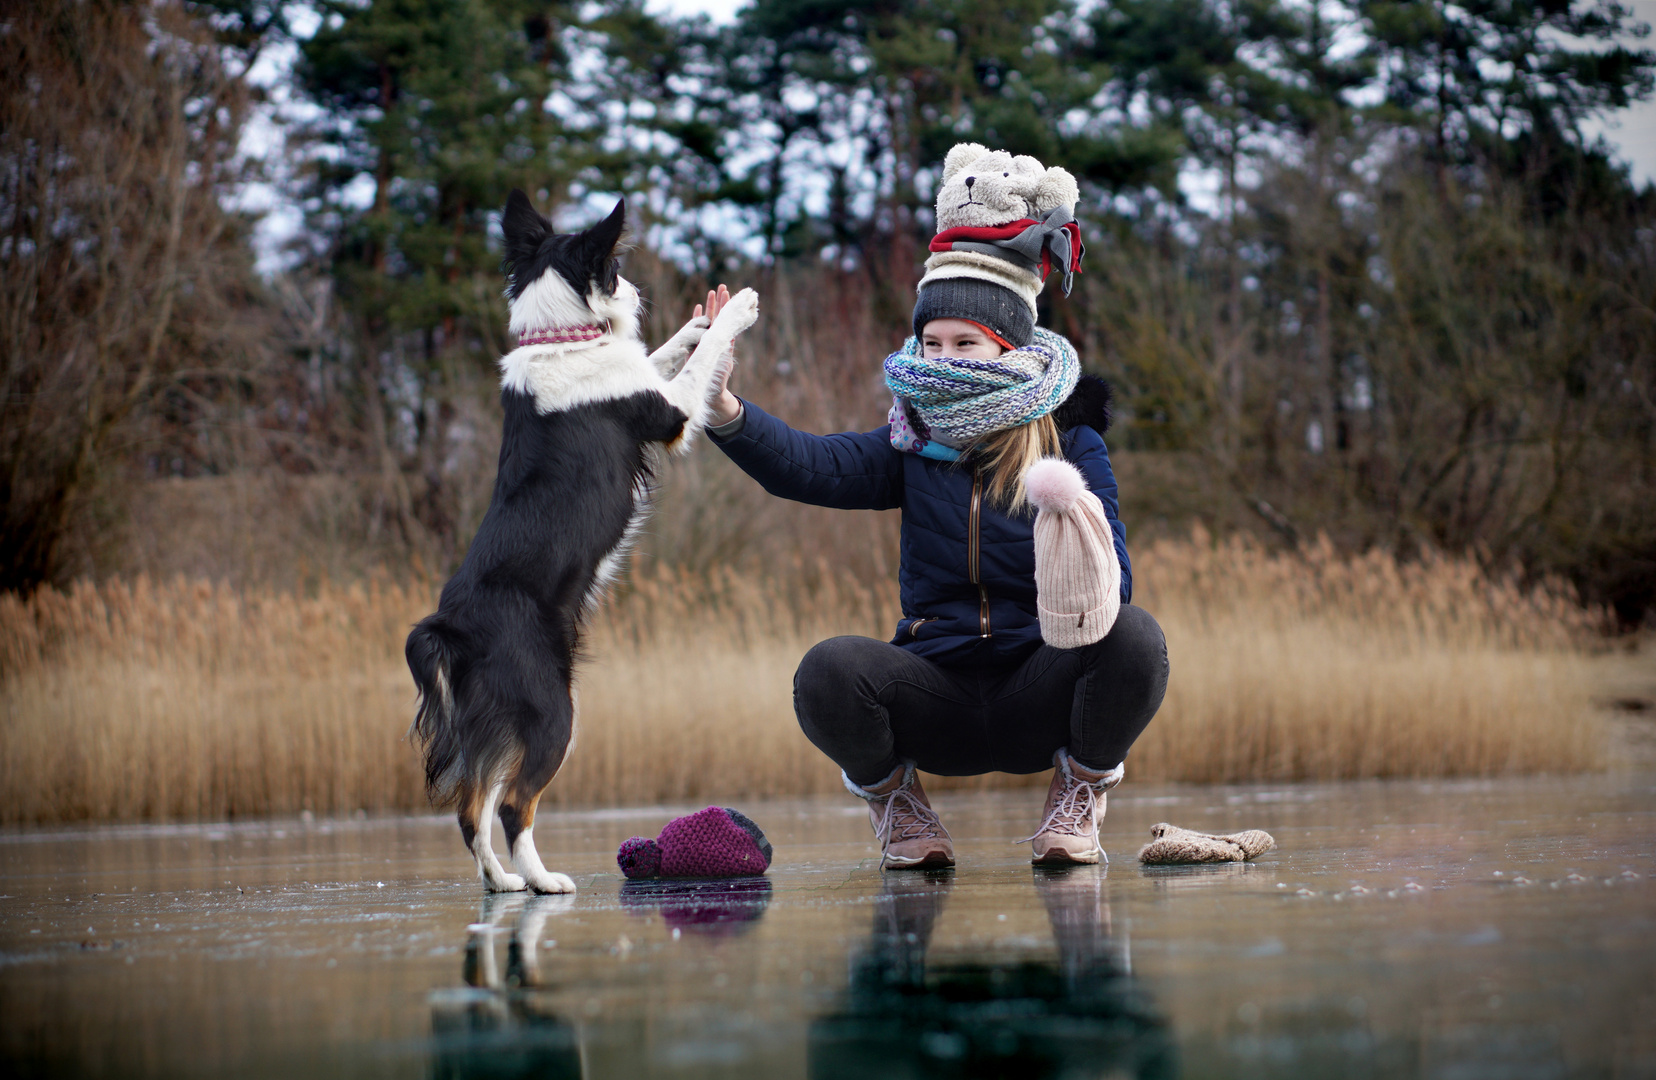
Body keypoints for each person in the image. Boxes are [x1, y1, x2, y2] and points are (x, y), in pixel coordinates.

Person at [700, 145, 1169, 870]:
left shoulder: (1069, 442)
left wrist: (1071, 525)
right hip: (936, 692)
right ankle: (897, 803)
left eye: (965, 343)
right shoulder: (908, 441)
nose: (944, 358)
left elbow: (1117, 595)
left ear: (1007, 345)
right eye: (932, 341)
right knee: (828, 669)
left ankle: (1078, 793)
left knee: (1138, 638)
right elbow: (807, 466)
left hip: (1038, 690)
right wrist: (724, 407)